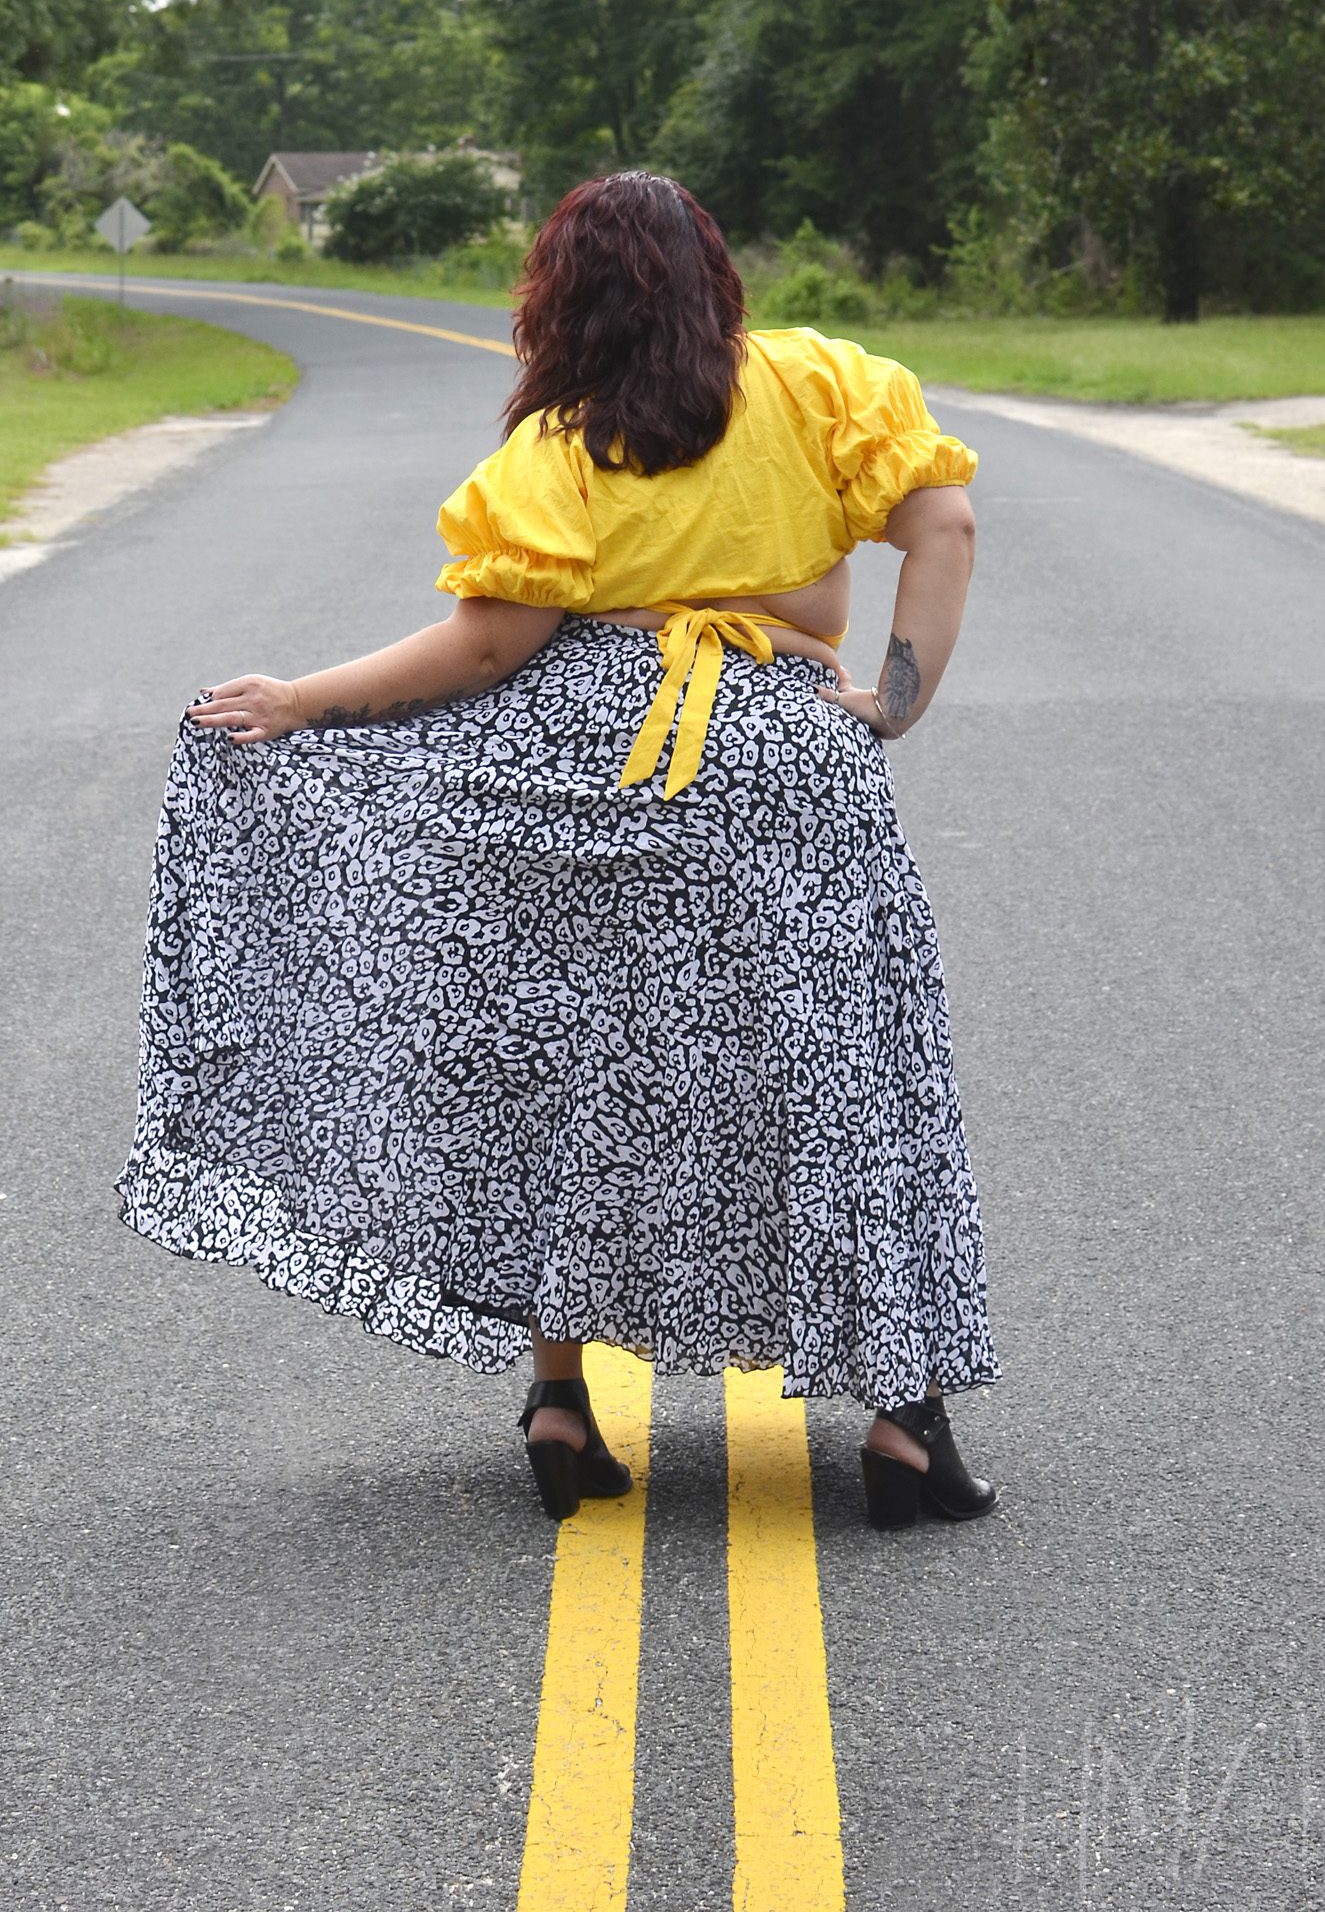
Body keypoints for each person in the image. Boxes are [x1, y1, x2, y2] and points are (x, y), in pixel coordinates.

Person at [118, 172, 999, 1531]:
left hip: (579, 770)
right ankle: (900, 1426)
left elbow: (486, 649)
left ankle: (557, 1404)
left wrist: (296, 701)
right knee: (837, 1073)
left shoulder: (564, 443)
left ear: (558, 300)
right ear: (715, 275)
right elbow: (942, 523)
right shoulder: (824, 384)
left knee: (564, 1067)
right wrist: (892, 699)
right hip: (783, 763)